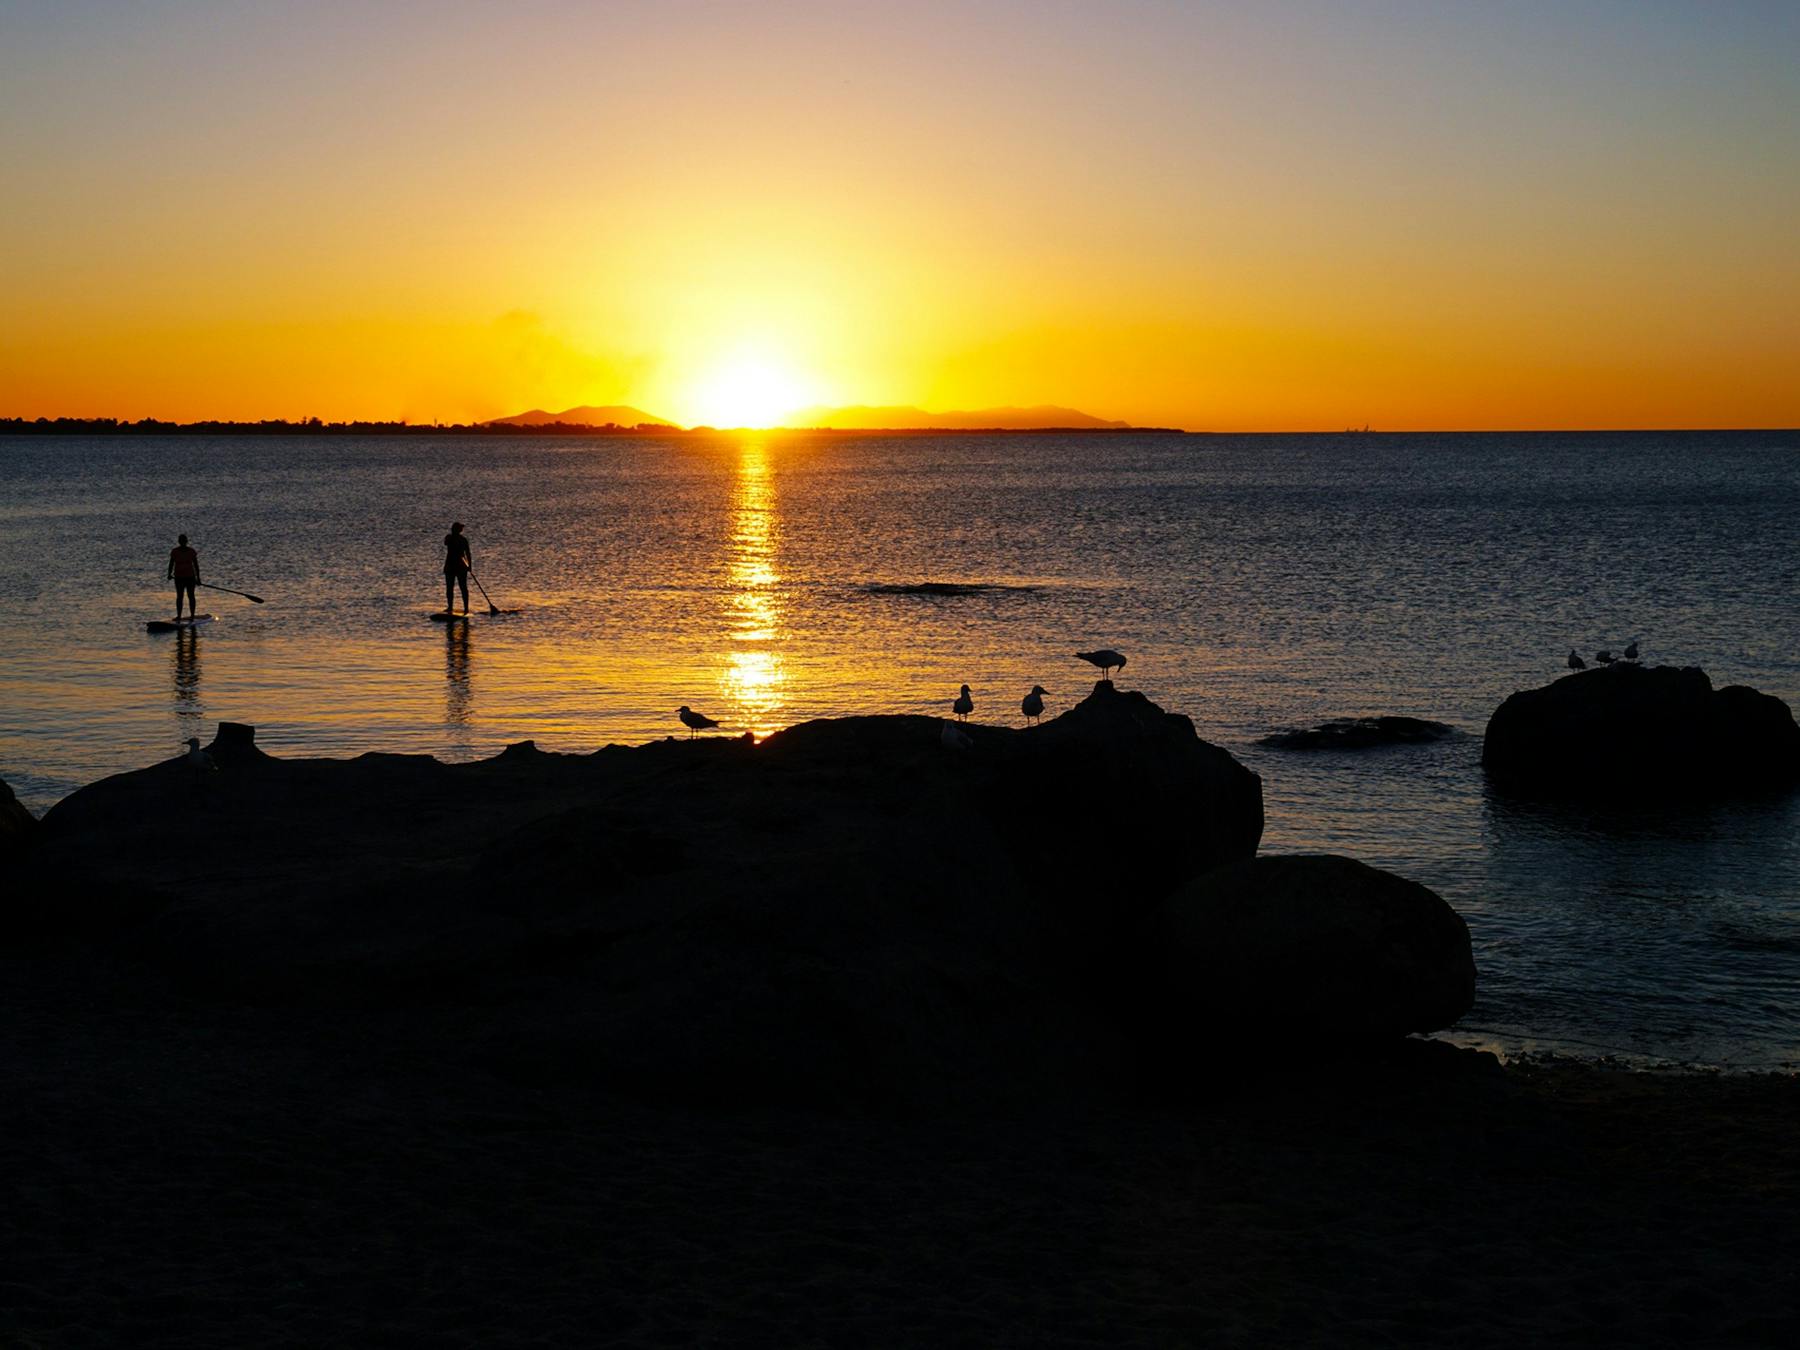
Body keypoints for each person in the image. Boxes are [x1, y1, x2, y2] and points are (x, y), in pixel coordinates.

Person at [167, 533, 200, 619]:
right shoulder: (174, 552)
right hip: (179, 578)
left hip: (190, 577)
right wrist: (169, 574)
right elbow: (171, 564)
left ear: (186, 542)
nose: (182, 542)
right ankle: (179, 616)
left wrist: (198, 578)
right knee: (180, 597)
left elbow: (196, 565)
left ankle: (192, 615)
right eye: (181, 541)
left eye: (183, 541)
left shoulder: (191, 551)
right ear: (179, 542)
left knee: (191, 596)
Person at [443, 522, 471, 614]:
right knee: (449, 588)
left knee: (463, 587)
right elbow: (446, 543)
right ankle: (450, 607)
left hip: (461, 566)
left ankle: (466, 608)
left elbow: (468, 553)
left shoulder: (463, 540)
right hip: (450, 566)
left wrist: (470, 566)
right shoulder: (449, 538)